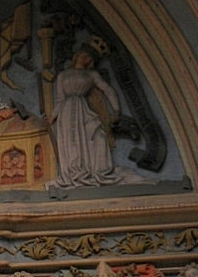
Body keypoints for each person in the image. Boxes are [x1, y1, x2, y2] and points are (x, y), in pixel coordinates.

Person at [45, 48, 151, 189]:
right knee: (71, 141)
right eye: (84, 55)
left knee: (98, 137)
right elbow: (60, 99)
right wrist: (52, 116)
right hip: (67, 111)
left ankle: (95, 171)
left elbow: (108, 90)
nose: (86, 59)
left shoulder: (91, 74)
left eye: (90, 57)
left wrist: (116, 110)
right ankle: (75, 173)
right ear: (77, 56)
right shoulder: (63, 75)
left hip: (83, 109)